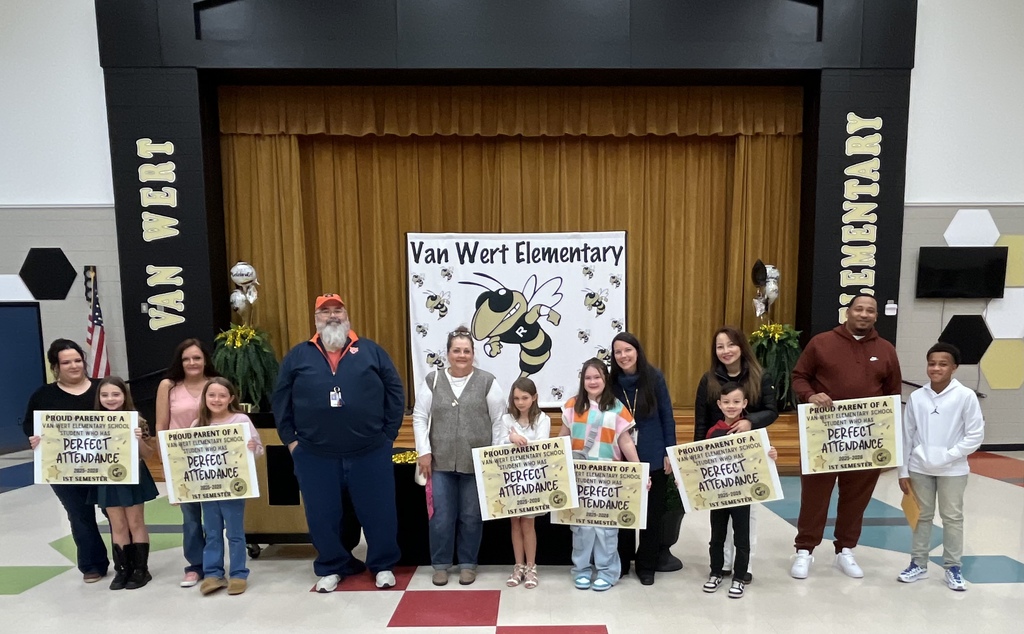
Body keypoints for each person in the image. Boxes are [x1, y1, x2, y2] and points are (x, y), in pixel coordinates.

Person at [272, 294, 405, 593]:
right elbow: (281, 400)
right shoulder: (298, 355)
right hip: (315, 455)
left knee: (379, 511)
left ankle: (382, 565)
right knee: (322, 515)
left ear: (346, 315)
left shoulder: (371, 351)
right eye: (325, 312)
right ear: (316, 319)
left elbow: (395, 392)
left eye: (337, 310)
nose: (332, 316)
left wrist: (388, 436)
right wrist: (291, 442)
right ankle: (332, 565)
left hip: (370, 450)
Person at [790, 294, 902, 579]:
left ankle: (845, 550)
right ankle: (805, 550)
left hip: (866, 439)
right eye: (859, 309)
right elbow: (799, 377)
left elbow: (892, 394)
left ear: (876, 316)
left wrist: (888, 440)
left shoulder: (886, 350)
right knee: (815, 494)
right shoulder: (822, 343)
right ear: (848, 312)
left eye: (870, 311)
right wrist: (811, 395)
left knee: (856, 496)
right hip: (824, 435)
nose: (864, 314)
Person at [413, 326, 505, 587]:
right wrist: (424, 451)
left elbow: (499, 420)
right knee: (441, 516)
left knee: (471, 516)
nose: (461, 355)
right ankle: (441, 565)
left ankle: (468, 563)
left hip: (476, 463)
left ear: (473, 354)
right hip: (439, 463)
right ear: (448, 353)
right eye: (457, 350)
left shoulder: (488, 381)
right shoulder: (432, 380)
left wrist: (494, 455)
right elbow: (420, 417)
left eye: (466, 350)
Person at [897, 342, 984, 591]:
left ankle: (953, 567)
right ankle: (918, 564)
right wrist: (904, 470)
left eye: (942, 364)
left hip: (953, 470)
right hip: (919, 468)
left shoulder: (965, 396)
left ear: (954, 368)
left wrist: (949, 455)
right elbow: (907, 435)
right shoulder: (917, 396)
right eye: (932, 363)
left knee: (952, 518)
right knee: (921, 517)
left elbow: (975, 435)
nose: (936, 368)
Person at [694, 326, 778, 583]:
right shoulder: (708, 380)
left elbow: (772, 410)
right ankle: (722, 565)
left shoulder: (759, 375)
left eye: (731, 345)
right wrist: (697, 459)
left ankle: (744, 565)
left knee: (746, 513)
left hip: (749, 454)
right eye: (720, 347)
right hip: (717, 455)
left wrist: (750, 421)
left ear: (741, 346)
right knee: (720, 512)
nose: (726, 351)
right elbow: (700, 422)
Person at [23, 339, 108, 583]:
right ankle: (92, 564)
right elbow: (30, 424)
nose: (73, 366)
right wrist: (34, 438)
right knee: (79, 515)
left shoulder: (102, 388)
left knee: (115, 512)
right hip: (64, 469)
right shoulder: (43, 395)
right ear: (56, 366)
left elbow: (123, 415)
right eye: (66, 362)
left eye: (77, 360)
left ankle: (127, 562)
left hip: (104, 465)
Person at [559, 357, 641, 592]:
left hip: (608, 477)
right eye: (588, 377)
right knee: (581, 527)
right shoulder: (572, 406)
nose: (593, 381)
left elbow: (625, 442)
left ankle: (607, 571)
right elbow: (562, 438)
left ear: (605, 379)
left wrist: (638, 470)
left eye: (597, 377)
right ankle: (581, 569)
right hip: (579, 476)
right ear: (582, 381)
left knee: (606, 528)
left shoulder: (617, 408)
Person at [609, 332, 677, 585]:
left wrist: (670, 450)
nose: (623, 356)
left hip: (654, 452)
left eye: (627, 350)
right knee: (625, 511)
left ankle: (647, 565)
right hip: (623, 456)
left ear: (637, 351)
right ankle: (623, 561)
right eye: (618, 352)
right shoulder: (611, 381)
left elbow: (667, 416)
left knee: (651, 514)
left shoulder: (654, 377)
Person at [700, 382, 778, 599]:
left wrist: (771, 455)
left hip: (743, 494)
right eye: (726, 402)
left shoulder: (755, 432)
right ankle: (716, 572)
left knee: (741, 537)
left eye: (736, 402)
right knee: (717, 535)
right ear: (719, 404)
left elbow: (763, 458)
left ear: (744, 403)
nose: (731, 406)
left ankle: (740, 577)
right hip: (719, 495)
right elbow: (703, 462)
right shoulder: (713, 431)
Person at [155, 338, 218, 588]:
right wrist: (164, 460)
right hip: (181, 460)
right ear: (180, 362)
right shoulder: (168, 386)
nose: (192, 363)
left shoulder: (215, 384)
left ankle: (213, 564)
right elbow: (161, 424)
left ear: (205, 360)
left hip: (212, 459)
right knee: (190, 516)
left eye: (197, 358)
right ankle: (195, 565)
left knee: (213, 515)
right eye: (186, 359)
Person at [193, 378, 264, 596]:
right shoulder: (198, 424)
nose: (216, 399)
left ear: (231, 398)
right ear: (204, 398)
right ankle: (213, 573)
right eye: (212, 395)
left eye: (222, 395)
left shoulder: (241, 420)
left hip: (234, 487)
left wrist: (253, 447)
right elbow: (188, 458)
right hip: (208, 488)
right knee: (212, 532)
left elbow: (259, 449)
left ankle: (238, 574)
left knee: (235, 533)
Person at [91, 377, 159, 590]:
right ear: (99, 398)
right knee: (117, 524)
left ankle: (141, 569)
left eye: (115, 394)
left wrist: (138, 439)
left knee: (135, 522)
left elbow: (149, 454)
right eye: (105, 395)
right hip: (107, 478)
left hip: (133, 477)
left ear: (124, 396)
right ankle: (122, 569)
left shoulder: (137, 420)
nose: (110, 399)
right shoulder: (91, 422)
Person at [495, 377, 551, 589]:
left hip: (533, 479)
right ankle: (517, 565)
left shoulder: (543, 419)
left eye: (525, 398)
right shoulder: (507, 419)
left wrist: (521, 440)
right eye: (516, 398)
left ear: (534, 397)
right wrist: (510, 439)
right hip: (511, 478)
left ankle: (531, 566)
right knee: (514, 521)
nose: (520, 402)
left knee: (528, 523)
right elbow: (497, 443)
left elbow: (543, 445)